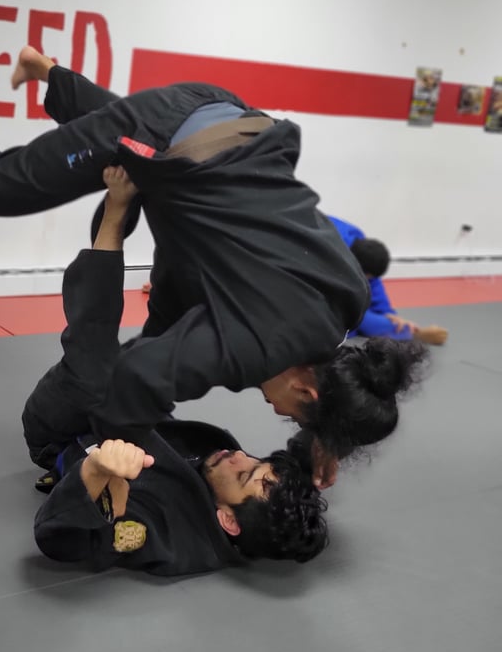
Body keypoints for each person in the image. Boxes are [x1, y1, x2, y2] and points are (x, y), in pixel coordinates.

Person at [0, 46, 429, 488]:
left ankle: (47, 72)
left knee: (129, 151)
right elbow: (131, 384)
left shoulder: (345, 300)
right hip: (168, 138)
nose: (269, 407)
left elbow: (198, 276)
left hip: (234, 121)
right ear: (306, 386)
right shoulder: (257, 345)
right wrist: (126, 461)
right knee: (1, 186)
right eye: (289, 413)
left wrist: (322, 436)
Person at [25, 167, 328, 575]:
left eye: (244, 475)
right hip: (134, 414)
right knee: (178, 338)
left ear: (228, 521)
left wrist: (98, 468)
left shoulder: (165, 535)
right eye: (254, 461)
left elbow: (61, 539)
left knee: (92, 362)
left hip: (67, 428)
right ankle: (175, 208)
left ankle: (115, 212)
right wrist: (329, 442)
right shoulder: (258, 500)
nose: (239, 455)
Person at [327, 215, 448, 346]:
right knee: (351, 316)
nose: (369, 279)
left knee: (356, 315)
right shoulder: (329, 254)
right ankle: (407, 333)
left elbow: (373, 283)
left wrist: (388, 313)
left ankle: (402, 330)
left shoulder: (360, 245)